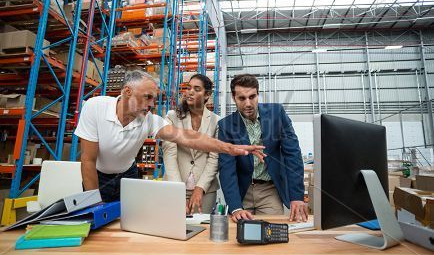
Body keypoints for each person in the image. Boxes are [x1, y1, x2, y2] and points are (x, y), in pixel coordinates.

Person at [74, 68, 264, 202]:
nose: (151, 104)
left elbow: (188, 137)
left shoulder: (148, 120)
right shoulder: (95, 107)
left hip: (127, 176)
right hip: (97, 176)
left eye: (154, 99)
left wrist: (229, 147)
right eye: (147, 97)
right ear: (127, 92)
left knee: (126, 226)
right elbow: (88, 160)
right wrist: (94, 204)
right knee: (96, 224)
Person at [218, 74, 307, 222]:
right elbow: (227, 168)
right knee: (239, 236)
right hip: (241, 192)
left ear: (258, 94)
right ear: (234, 98)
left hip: (269, 190)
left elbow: (293, 155)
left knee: (273, 234)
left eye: (252, 97)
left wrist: (297, 196)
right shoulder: (225, 126)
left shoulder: (277, 114)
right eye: (242, 98)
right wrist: (235, 207)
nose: (248, 103)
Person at [163, 74, 219, 214]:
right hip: (175, 183)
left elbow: (214, 158)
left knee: (201, 230)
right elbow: (169, 153)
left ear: (207, 95)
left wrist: (200, 187)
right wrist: (177, 190)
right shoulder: (172, 116)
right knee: (172, 229)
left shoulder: (216, 121)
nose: (190, 92)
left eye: (197, 89)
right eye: (188, 88)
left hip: (205, 191)